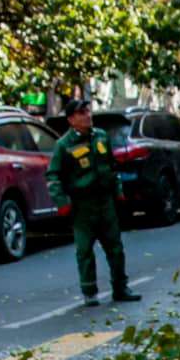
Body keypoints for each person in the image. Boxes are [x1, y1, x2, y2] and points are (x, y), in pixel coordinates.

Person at [47, 98, 138, 307]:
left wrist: (118, 190)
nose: (87, 116)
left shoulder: (101, 136)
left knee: (115, 247)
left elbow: (111, 167)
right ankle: (89, 291)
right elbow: (53, 176)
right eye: (81, 113)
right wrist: (62, 202)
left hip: (105, 202)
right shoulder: (64, 145)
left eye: (88, 111)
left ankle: (120, 287)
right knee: (85, 250)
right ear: (71, 119)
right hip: (82, 205)